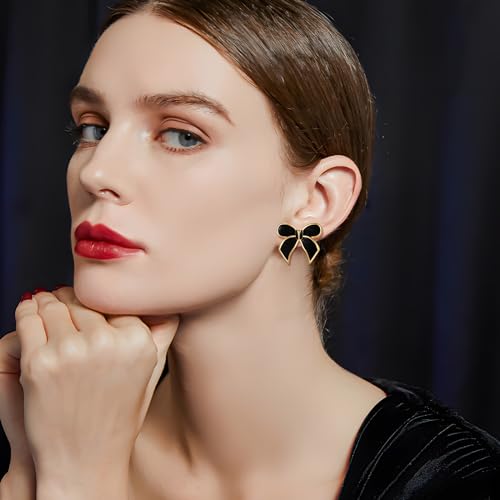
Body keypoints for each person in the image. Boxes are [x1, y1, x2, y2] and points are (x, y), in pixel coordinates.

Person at [0, 0, 499, 499]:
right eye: (93, 128)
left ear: (316, 200)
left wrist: (78, 480)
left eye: (182, 135)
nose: (96, 172)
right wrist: (29, 465)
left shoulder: (455, 483)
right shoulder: (29, 418)